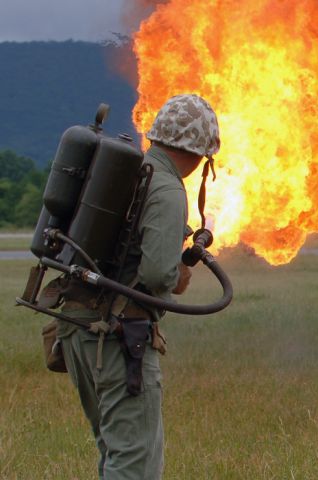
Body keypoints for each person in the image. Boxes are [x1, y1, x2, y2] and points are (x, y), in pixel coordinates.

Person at [57, 93, 221, 480]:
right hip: (116, 337)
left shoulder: (131, 173)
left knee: (115, 451)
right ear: (201, 155)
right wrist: (178, 277)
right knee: (135, 464)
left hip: (79, 325)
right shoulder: (166, 188)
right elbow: (158, 275)